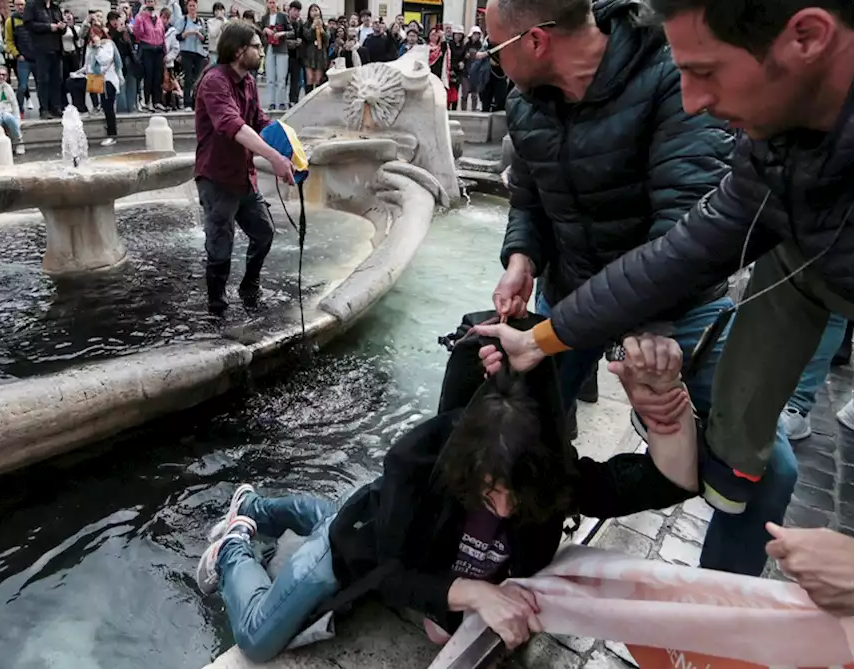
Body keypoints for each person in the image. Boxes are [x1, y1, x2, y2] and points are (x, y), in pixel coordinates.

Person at [474, 0, 855, 573]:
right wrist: (525, 269)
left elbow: (681, 232)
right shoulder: (771, 144)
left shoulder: (667, 82)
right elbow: (683, 246)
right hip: (579, 297)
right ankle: (489, 556)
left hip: (673, 310)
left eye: (703, 72)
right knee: (496, 425)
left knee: (769, 469)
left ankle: (713, 618)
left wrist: (648, 335)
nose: (695, 98)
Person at [196, 326, 700, 662]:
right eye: (491, 493)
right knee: (259, 638)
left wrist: (662, 407)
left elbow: (668, 481)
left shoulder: (551, 476)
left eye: (517, 499)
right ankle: (236, 539)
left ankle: (263, 505)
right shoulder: (417, 462)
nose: (504, 510)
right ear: (465, 466)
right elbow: (389, 572)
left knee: (351, 514)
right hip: (362, 548)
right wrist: (477, 592)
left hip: (378, 519)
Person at [194, 19, 293, 317]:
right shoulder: (214, 81)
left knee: (264, 233)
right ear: (239, 51)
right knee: (220, 247)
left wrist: (290, 144)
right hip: (217, 178)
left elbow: (258, 120)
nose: (263, 52)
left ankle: (249, 288)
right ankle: (216, 308)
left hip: (243, 177)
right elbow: (233, 125)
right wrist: (273, 158)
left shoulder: (248, 80)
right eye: (257, 47)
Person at [77, 26, 120, 146]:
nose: (92, 37)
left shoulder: (108, 44)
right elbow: (88, 64)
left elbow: (104, 60)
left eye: (94, 34)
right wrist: (79, 72)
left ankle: (112, 135)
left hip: (108, 80)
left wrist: (97, 47)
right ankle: (83, 109)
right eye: (90, 35)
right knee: (73, 84)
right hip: (95, 78)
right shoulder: (90, 46)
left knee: (108, 107)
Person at [21, 0, 62, 118]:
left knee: (56, 80)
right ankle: (44, 108)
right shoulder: (32, 5)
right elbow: (29, 25)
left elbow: (60, 26)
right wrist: (48, 27)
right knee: (43, 80)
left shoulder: (55, 7)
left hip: (56, 48)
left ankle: (56, 107)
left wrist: (62, 27)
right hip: (40, 49)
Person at [169, 0, 205, 110]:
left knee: (197, 78)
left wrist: (199, 35)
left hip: (199, 52)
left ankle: (196, 101)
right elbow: (178, 36)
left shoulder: (201, 21)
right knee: (188, 77)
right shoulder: (183, 20)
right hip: (186, 51)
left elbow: (204, 38)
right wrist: (188, 33)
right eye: (190, 6)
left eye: (194, 6)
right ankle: (187, 103)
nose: (192, 8)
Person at [132, 0, 165, 112]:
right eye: (148, 2)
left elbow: (162, 34)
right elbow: (138, 33)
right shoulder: (141, 17)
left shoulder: (158, 18)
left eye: (152, 1)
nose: (151, 4)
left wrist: (164, 50)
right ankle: (147, 100)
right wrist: (140, 16)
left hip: (158, 49)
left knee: (158, 77)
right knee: (148, 76)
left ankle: (157, 101)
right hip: (147, 49)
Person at [257, 0, 289, 110]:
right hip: (269, 47)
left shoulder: (283, 16)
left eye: (274, 2)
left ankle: (281, 102)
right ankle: (271, 102)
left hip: (281, 48)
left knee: (281, 77)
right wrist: (265, 30)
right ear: (267, 4)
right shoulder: (264, 18)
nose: (272, 5)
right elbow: (260, 33)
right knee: (270, 78)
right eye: (270, 2)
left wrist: (282, 33)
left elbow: (292, 31)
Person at [4, 0, 34, 114]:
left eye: (22, 4)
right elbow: (9, 41)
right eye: (18, 5)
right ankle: (19, 110)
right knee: (22, 86)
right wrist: (17, 54)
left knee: (42, 85)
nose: (20, 7)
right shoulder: (10, 21)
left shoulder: (33, 18)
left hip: (36, 58)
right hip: (22, 59)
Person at [107, 9, 137, 113]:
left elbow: (131, 44)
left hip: (129, 61)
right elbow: (111, 43)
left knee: (131, 85)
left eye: (117, 19)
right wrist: (118, 32)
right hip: (117, 62)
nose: (115, 22)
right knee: (120, 87)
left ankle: (131, 107)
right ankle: (122, 110)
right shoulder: (109, 32)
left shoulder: (126, 31)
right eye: (113, 19)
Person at [298, 3, 326, 93]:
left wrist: (322, 30)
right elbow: (307, 36)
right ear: (309, 13)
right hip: (309, 54)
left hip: (320, 54)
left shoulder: (324, 24)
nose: (314, 12)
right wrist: (313, 26)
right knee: (310, 78)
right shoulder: (306, 25)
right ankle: (307, 98)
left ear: (319, 12)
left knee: (318, 79)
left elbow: (327, 39)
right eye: (312, 10)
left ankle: (317, 100)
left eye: (316, 10)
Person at [205, 1, 225, 65]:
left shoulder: (227, 22)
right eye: (216, 10)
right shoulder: (210, 21)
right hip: (213, 51)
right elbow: (213, 34)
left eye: (220, 9)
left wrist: (222, 21)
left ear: (223, 11)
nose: (219, 12)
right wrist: (219, 21)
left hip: (224, 51)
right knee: (213, 69)